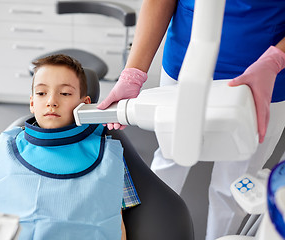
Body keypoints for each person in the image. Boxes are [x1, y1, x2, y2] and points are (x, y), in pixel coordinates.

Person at [97, 0, 285, 239]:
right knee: (171, 157)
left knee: (234, 182)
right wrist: (133, 73)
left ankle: (220, 235)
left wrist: (276, 60)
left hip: (264, 74)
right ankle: (146, 231)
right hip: (186, 62)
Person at [0, 54, 139, 240]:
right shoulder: (6, 146)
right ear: (32, 103)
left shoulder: (107, 154)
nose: (51, 101)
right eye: (41, 93)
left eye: (65, 93)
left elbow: (115, 218)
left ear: (84, 104)